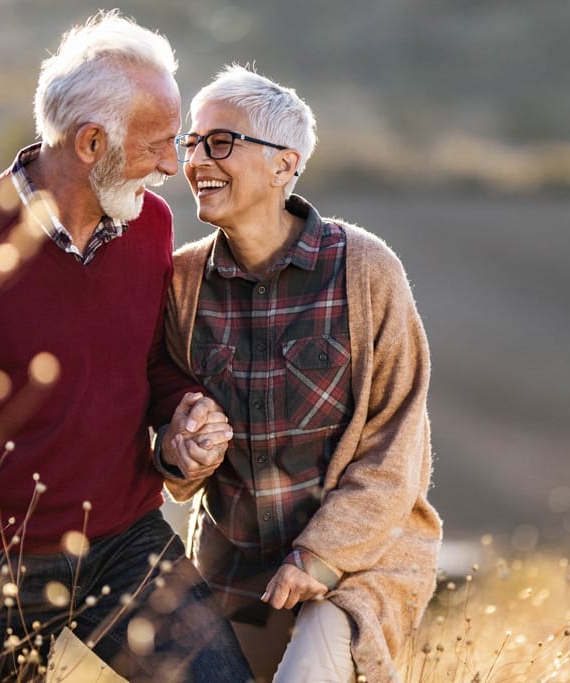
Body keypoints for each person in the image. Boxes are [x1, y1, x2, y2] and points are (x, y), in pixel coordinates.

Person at [0, 12, 251, 683]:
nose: (173, 166)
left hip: (127, 541)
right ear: (91, 142)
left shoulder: (149, 222)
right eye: (158, 145)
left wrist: (181, 414)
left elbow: (146, 360)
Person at [159, 65, 443, 683]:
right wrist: (180, 450)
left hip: (359, 559)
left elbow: (400, 443)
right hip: (233, 569)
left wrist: (320, 557)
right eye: (192, 142)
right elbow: (161, 414)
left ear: (285, 165)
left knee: (311, 668)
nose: (198, 159)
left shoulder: (364, 269)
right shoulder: (181, 283)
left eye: (221, 141)